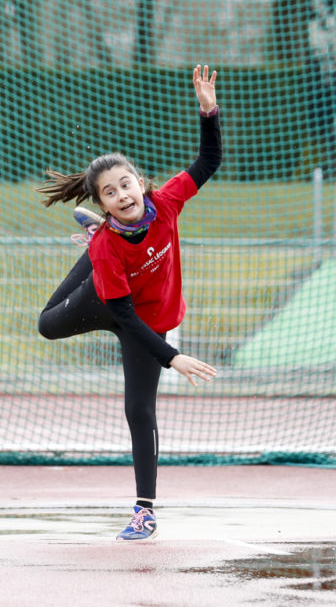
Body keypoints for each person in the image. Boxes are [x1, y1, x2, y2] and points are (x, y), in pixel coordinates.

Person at [36, 64, 222, 542]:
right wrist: (172, 356)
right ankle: (93, 246)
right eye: (110, 193)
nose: (122, 194)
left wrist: (208, 111)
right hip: (108, 301)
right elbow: (120, 314)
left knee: (138, 409)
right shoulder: (109, 247)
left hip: (149, 318)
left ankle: (145, 511)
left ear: (140, 182)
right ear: (102, 204)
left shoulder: (169, 201)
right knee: (46, 325)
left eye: (126, 184)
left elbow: (208, 162)